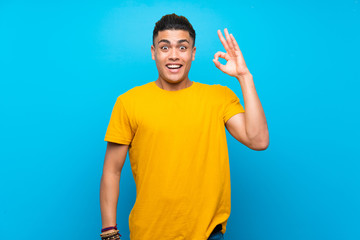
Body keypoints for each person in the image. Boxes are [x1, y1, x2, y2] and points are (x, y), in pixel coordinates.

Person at [99, 13, 269, 240]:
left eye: (182, 47)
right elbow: (111, 171)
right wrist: (109, 231)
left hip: (207, 234)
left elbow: (258, 140)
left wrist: (244, 77)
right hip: (148, 234)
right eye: (165, 47)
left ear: (193, 53)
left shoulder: (218, 98)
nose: (174, 56)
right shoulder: (129, 102)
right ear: (154, 52)